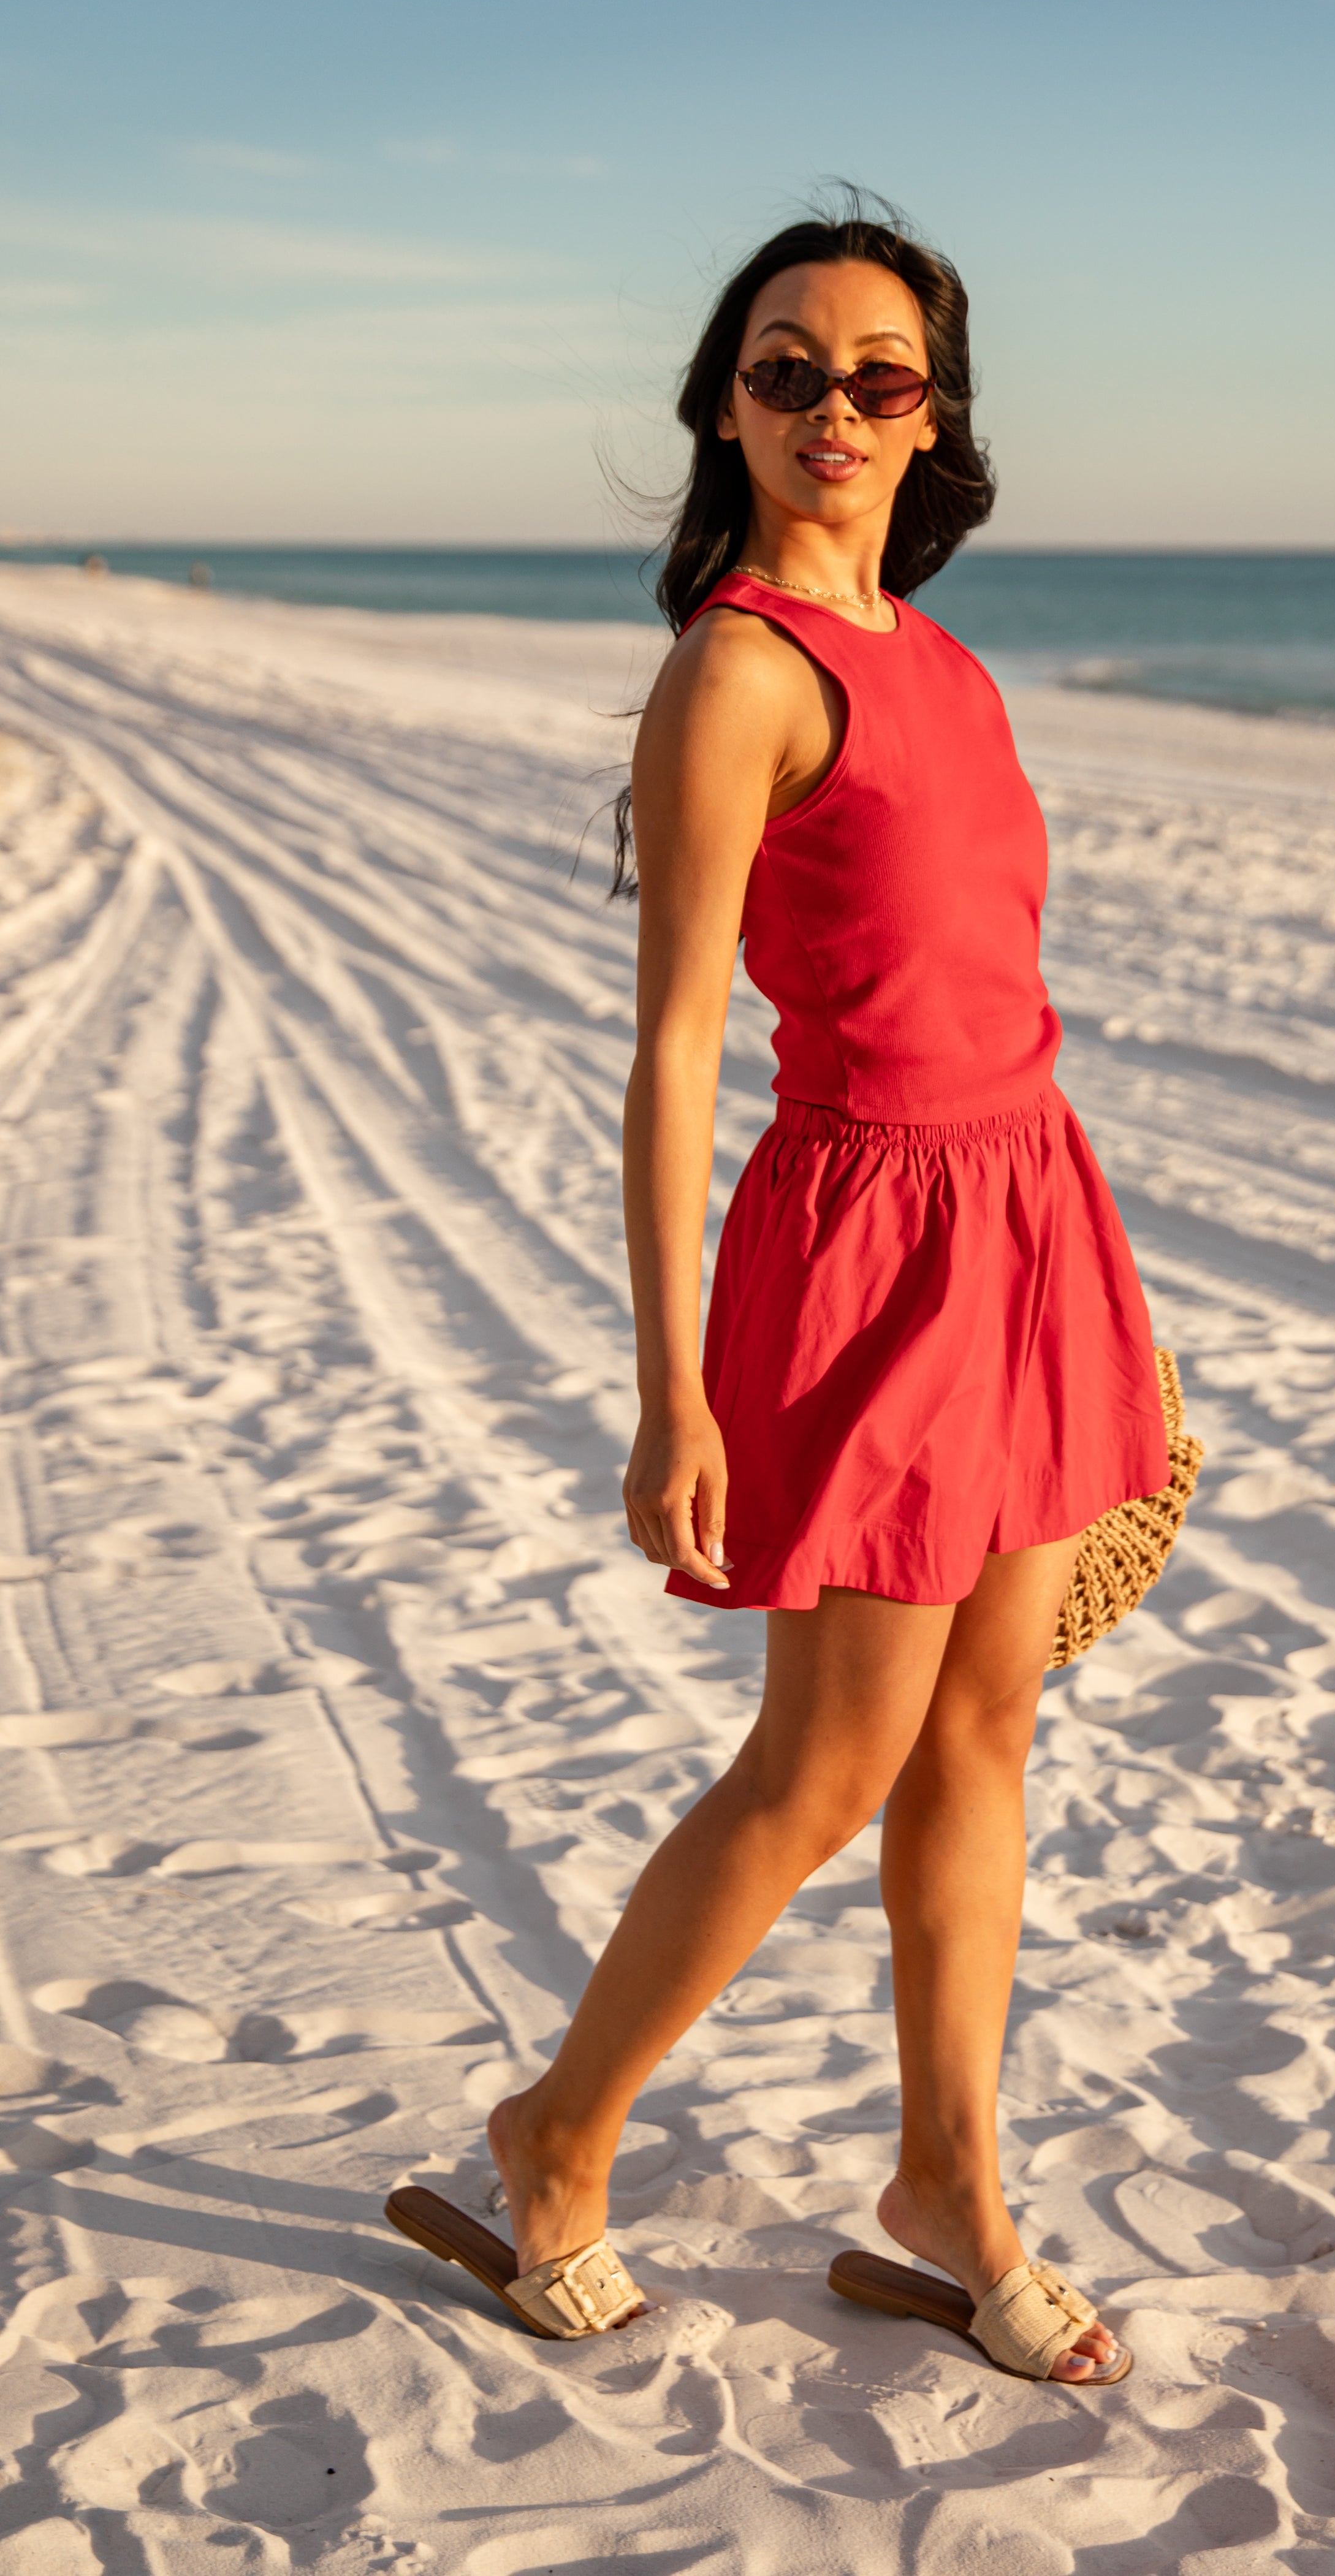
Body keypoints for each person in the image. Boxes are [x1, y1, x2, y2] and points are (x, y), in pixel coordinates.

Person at [388, 203, 1168, 2385]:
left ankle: (945, 2185)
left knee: (986, 1737)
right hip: (863, 1252)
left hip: (1028, 1220)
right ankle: (555, 2129)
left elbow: (995, 996)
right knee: (822, 1769)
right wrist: (671, 1392)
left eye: (881, 374)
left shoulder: (946, 656)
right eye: (787, 371)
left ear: (939, 416)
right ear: (723, 410)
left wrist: (1095, 1305)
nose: (836, 410)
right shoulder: (739, 671)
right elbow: (668, 1052)